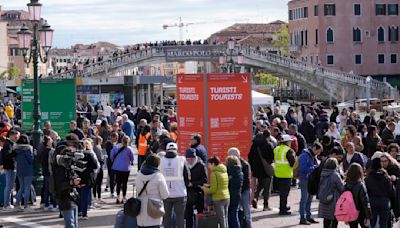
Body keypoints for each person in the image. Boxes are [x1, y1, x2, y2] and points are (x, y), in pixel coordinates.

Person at [160, 142, 190, 228]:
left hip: (165, 193)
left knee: (166, 217)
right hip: (180, 193)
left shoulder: (161, 160)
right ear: (176, 150)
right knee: (180, 217)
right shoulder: (182, 160)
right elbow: (187, 176)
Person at [136, 154, 169, 228]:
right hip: (154, 209)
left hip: (140, 209)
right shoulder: (158, 176)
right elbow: (165, 195)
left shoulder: (138, 174)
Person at [248, 130, 274, 211]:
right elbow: (272, 157)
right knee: (267, 187)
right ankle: (265, 205)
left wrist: (253, 167)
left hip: (257, 169)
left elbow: (250, 156)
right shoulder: (269, 145)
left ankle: (255, 197)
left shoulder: (254, 145)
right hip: (266, 169)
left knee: (260, 184)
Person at [365, 158, 395, 228]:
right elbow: (391, 191)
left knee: (372, 222)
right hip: (384, 201)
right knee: (384, 223)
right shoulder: (386, 177)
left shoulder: (368, 178)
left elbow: (365, 191)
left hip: (372, 201)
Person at [201, 156, 230, 228]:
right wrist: (209, 185)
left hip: (218, 198)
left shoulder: (214, 174)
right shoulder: (224, 171)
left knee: (221, 219)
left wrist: (204, 189)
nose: (208, 166)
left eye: (209, 164)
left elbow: (213, 190)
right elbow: (221, 184)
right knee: (225, 218)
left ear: (213, 164)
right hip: (226, 197)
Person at [298, 142, 322, 225]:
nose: (318, 153)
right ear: (314, 148)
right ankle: (302, 218)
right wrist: (314, 167)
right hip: (305, 179)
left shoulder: (312, 156)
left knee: (309, 199)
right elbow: (303, 168)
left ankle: (308, 216)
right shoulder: (305, 155)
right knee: (304, 199)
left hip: (311, 180)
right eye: (318, 151)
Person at [228, 147, 252, 228]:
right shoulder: (232, 166)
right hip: (238, 190)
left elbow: (246, 180)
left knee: (246, 212)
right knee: (238, 211)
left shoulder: (244, 164)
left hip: (244, 190)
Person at [76, 139, 99, 220]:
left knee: (78, 196)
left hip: (77, 178)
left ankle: (79, 211)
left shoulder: (75, 155)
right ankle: (84, 214)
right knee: (84, 197)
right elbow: (95, 166)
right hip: (86, 178)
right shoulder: (89, 155)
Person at [318, 158, 344, 228]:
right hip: (334, 200)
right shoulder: (335, 175)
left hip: (324, 199)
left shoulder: (322, 174)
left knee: (326, 219)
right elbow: (341, 188)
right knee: (334, 219)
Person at [184, 148, 207, 228]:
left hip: (198, 193)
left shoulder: (201, 165)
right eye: (188, 159)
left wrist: (193, 184)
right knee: (188, 216)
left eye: (192, 158)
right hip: (187, 194)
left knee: (199, 214)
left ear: (195, 157)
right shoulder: (184, 165)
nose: (190, 160)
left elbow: (204, 180)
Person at [273, 135, 296, 215]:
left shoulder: (276, 149)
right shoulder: (288, 150)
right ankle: (283, 209)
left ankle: (283, 206)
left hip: (278, 173)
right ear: (287, 142)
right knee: (285, 193)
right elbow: (292, 163)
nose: (290, 143)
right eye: (290, 141)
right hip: (286, 174)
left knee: (282, 193)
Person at [345, 163, 372, 228]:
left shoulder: (346, 186)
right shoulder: (361, 185)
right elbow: (365, 202)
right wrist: (368, 217)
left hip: (351, 212)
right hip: (362, 212)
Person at [110, 136, 134, 204]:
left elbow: (111, 155)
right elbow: (132, 158)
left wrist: (114, 161)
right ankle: (124, 197)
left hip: (117, 167)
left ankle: (118, 197)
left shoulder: (116, 147)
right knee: (124, 183)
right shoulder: (129, 149)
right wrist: (131, 162)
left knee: (118, 183)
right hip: (126, 168)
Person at [0, 129, 20, 210]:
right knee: (9, 186)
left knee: (10, 186)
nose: (17, 138)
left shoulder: (9, 143)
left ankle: (8, 203)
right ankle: (6, 204)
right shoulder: (8, 144)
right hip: (10, 167)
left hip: (10, 166)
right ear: (11, 135)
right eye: (16, 136)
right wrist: (15, 152)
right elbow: (8, 155)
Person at [14, 134, 34, 211]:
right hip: (27, 170)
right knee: (27, 188)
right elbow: (30, 160)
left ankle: (17, 205)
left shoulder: (16, 149)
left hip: (19, 169)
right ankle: (26, 205)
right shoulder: (28, 149)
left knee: (21, 187)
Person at [226, 156, 243, 228]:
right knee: (235, 215)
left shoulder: (227, 171)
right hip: (237, 195)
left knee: (229, 216)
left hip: (229, 195)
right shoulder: (240, 172)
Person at [41, 135, 57, 210]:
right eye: (50, 140)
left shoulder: (43, 150)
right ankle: (53, 204)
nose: (52, 141)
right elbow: (52, 162)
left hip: (45, 171)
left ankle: (46, 204)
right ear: (48, 142)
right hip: (50, 172)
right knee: (52, 189)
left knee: (46, 189)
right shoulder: (51, 151)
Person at [105, 132, 119, 197]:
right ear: (112, 137)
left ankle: (113, 189)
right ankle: (112, 192)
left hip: (116, 163)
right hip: (111, 163)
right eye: (116, 137)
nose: (117, 139)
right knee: (112, 177)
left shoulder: (116, 144)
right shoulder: (109, 144)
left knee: (116, 178)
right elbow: (110, 153)